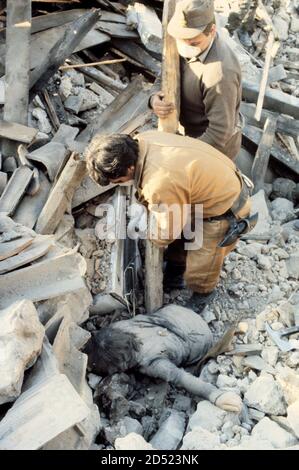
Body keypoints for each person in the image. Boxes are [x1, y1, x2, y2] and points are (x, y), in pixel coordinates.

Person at [85, 130, 253, 312]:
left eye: (118, 180)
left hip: (226, 207)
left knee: (204, 260)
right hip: (210, 187)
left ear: (130, 168)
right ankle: (176, 271)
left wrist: (152, 236)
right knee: (183, 236)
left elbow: (167, 231)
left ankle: (203, 294)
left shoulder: (160, 182)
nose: (119, 183)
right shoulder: (142, 140)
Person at [84, 304, 242, 413]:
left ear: (124, 363)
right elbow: (100, 346)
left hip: (199, 338)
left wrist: (216, 395)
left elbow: (181, 377)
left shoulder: (151, 362)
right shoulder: (118, 328)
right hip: (177, 313)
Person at [150, 0, 243, 160]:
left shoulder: (219, 74)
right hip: (187, 134)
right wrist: (153, 99)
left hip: (211, 150)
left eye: (194, 42)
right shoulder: (182, 41)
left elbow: (219, 133)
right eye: (181, 40)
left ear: (212, 31)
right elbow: (165, 74)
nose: (186, 47)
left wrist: (182, 155)